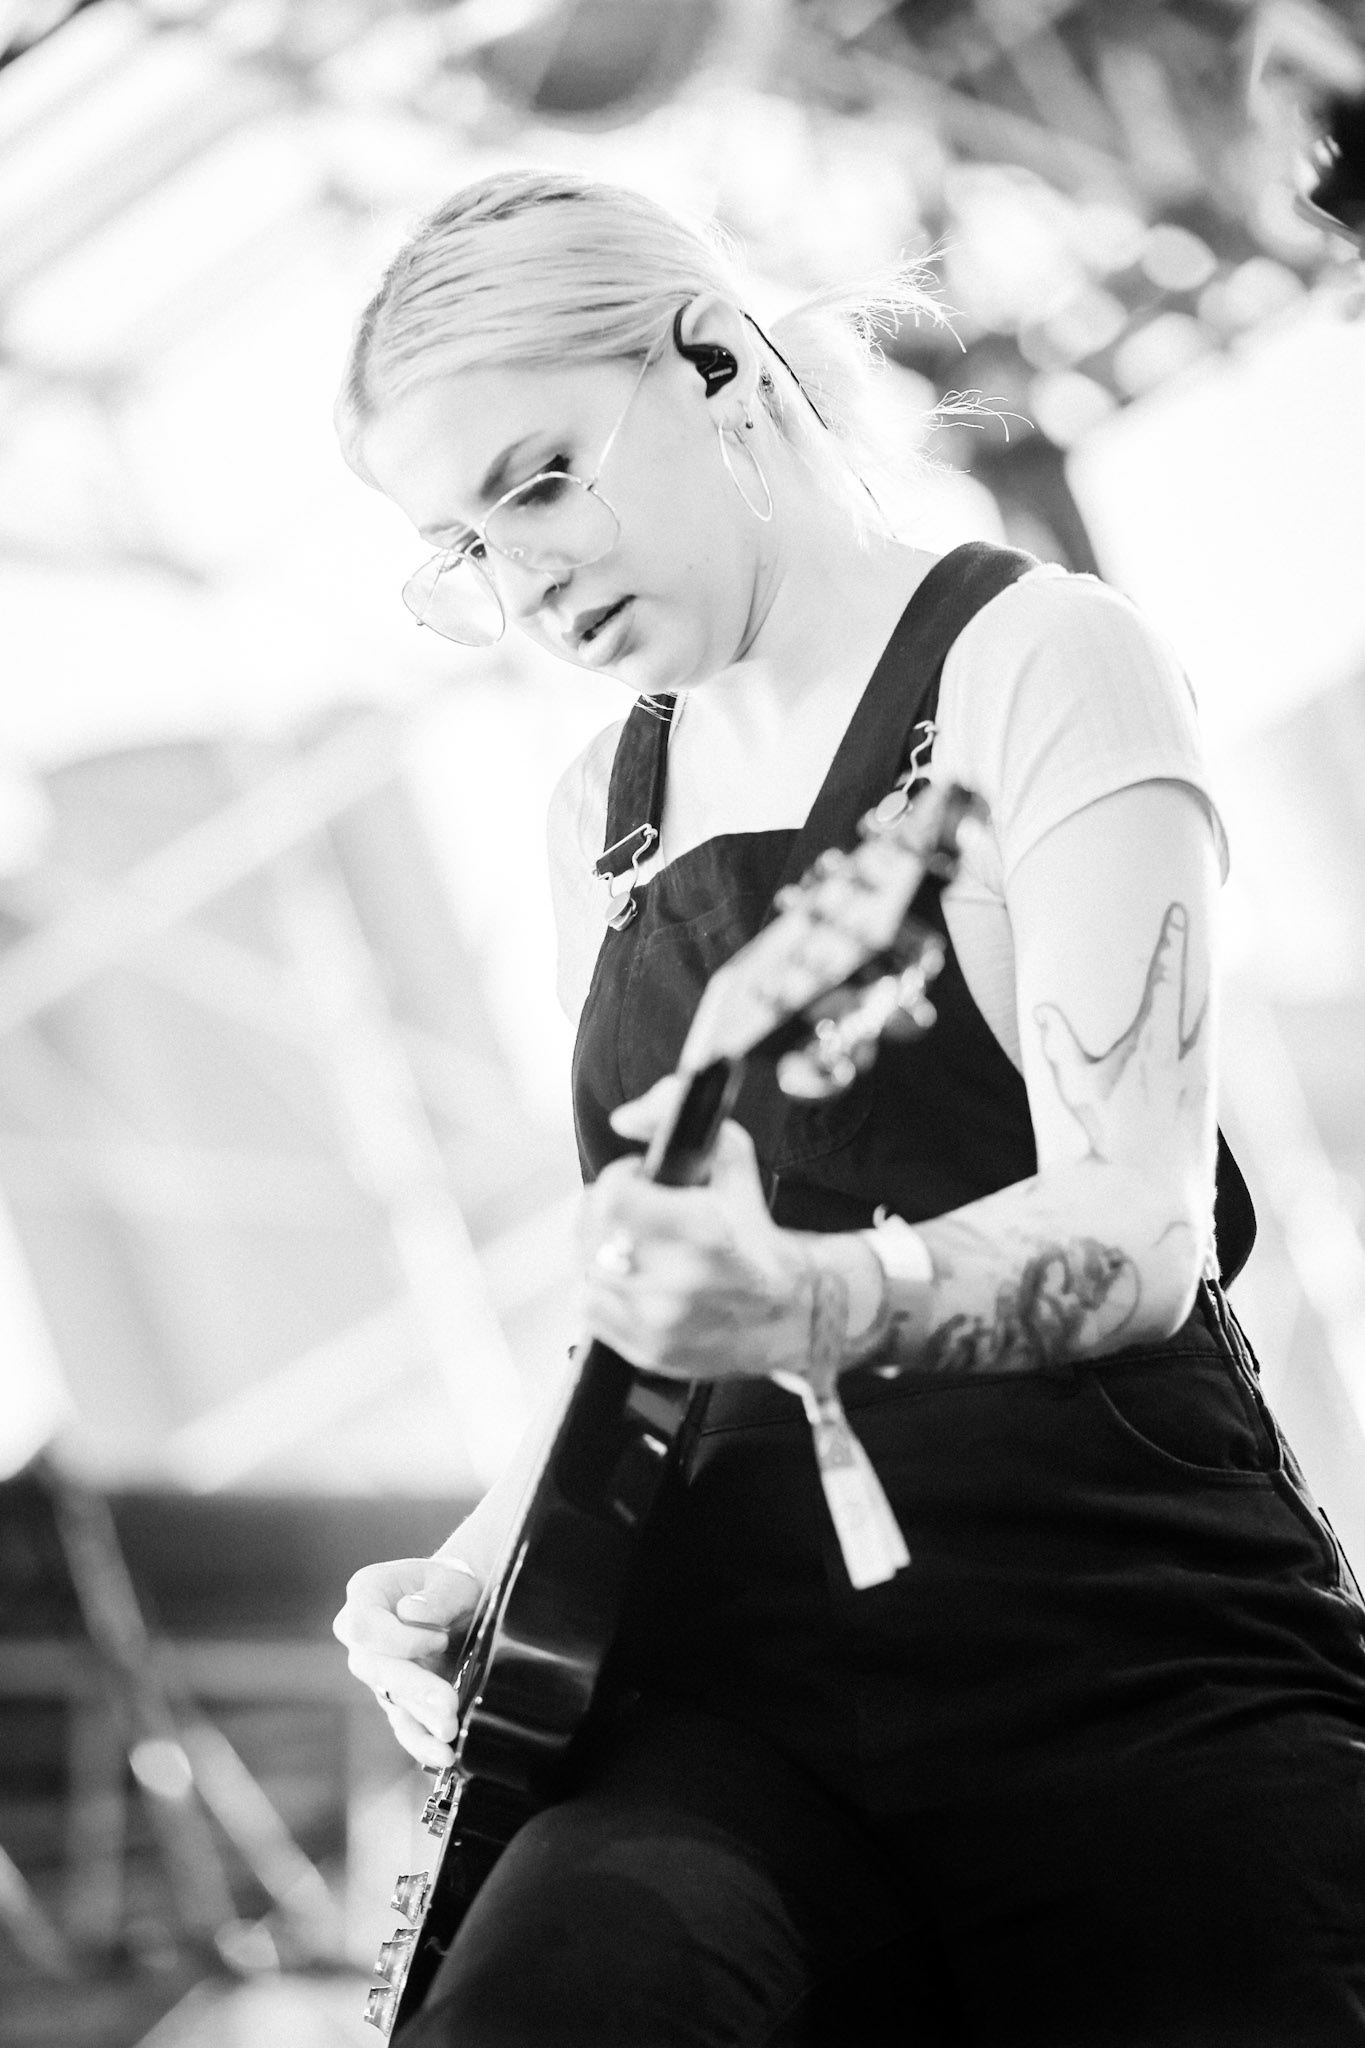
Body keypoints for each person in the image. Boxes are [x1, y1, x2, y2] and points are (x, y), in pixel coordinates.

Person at [331, 169, 1365, 2046]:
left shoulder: (1033, 656)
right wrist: (474, 1564)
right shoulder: (605, 813)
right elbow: (634, 1296)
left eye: (541, 477)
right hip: (735, 1699)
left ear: (717, 360)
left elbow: (1129, 1236)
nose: (527, 577)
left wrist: (802, 1303)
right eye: (463, 546)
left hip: (1118, 1655)